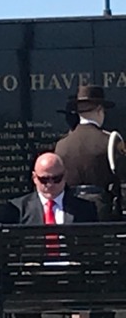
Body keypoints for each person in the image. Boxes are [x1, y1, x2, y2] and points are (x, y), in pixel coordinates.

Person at [0, 152, 116, 318]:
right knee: (20, 290)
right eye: (44, 179)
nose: (50, 184)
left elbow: (97, 248)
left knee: (107, 288)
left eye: (56, 178)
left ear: (65, 177)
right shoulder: (18, 208)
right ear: (34, 178)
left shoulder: (84, 208)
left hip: (75, 276)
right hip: (37, 277)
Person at [55, 85, 126, 221]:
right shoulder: (112, 140)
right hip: (103, 215)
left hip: (72, 216)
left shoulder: (61, 145)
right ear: (100, 110)